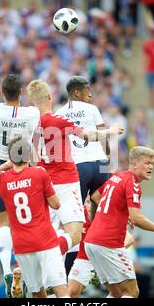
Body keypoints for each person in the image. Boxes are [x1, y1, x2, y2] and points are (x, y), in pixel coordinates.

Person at [26, 79, 124, 258]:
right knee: (99, 208)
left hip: (58, 175)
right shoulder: (81, 112)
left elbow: (30, 155)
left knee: (60, 224)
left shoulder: (47, 117)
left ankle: (55, 261)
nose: (91, 94)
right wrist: (110, 145)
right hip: (85, 170)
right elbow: (94, 136)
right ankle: (97, 250)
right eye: (88, 90)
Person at [0, 136, 69, 298]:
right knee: (61, 290)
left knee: (36, 293)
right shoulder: (39, 173)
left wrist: (3, 168)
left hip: (22, 246)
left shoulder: (2, 180)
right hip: (45, 240)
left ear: (11, 157)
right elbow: (56, 204)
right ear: (28, 156)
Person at [0, 74, 40, 298]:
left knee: (2, 222)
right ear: (21, 93)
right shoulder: (31, 113)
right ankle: (22, 269)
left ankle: (6, 269)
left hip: (0, 170)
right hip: (25, 167)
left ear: (2, 93)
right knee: (27, 221)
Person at [84, 146, 154, 297]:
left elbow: (95, 196)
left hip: (92, 243)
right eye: (146, 163)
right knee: (132, 292)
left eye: (152, 163)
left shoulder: (117, 177)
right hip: (108, 244)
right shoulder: (132, 183)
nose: (150, 166)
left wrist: (120, 214)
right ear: (134, 164)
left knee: (117, 293)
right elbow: (138, 219)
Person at [55, 76, 111, 274]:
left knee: (72, 219)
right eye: (87, 90)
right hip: (99, 164)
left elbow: (56, 148)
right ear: (76, 92)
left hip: (77, 168)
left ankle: (63, 268)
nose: (91, 93)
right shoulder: (93, 110)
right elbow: (103, 134)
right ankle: (96, 261)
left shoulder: (59, 113)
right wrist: (108, 158)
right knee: (103, 210)